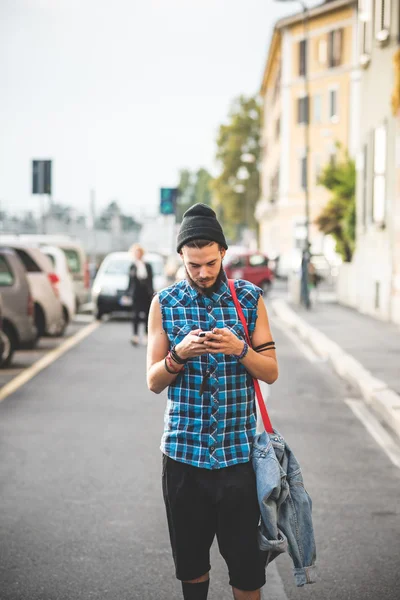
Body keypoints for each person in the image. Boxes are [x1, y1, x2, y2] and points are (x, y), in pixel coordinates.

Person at [146, 204, 278, 600]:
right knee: (193, 571)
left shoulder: (249, 298)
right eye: (192, 265)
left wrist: (240, 349)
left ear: (222, 252)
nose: (202, 272)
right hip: (184, 461)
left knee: (247, 575)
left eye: (208, 262)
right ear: (181, 259)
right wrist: (179, 355)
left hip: (238, 462)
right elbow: (153, 381)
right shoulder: (164, 304)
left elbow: (270, 371)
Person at [127, 244, 154, 346]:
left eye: (139, 253)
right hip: (136, 293)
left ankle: (147, 335)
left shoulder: (148, 265)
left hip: (146, 292)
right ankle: (135, 336)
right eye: (136, 253)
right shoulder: (132, 266)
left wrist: (152, 293)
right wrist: (127, 293)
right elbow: (130, 282)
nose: (138, 255)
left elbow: (151, 280)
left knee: (148, 315)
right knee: (135, 315)